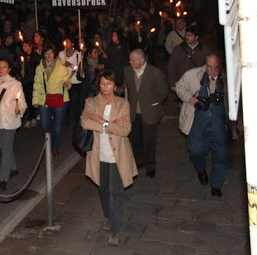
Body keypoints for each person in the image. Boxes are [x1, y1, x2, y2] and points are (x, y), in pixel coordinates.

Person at [80, 69, 137, 247]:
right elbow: (84, 122)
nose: (105, 87)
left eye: (109, 84)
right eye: (103, 83)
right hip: (99, 154)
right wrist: (111, 125)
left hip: (117, 155)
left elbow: (125, 129)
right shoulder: (91, 102)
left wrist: (103, 122)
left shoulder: (123, 104)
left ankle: (114, 229)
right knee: (103, 189)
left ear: (115, 85)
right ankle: (108, 216)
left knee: (116, 193)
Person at [175, 53, 228, 197]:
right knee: (195, 150)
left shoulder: (229, 79)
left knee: (220, 155)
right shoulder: (194, 75)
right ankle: (200, 169)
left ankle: (216, 185)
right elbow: (179, 86)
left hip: (219, 124)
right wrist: (190, 99)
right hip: (197, 121)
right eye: (209, 67)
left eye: (215, 67)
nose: (212, 71)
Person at [123, 49, 169, 178]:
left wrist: (153, 103)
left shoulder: (154, 73)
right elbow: (128, 90)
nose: (130, 62)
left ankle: (150, 166)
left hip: (150, 112)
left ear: (142, 60)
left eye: (133, 60)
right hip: (133, 112)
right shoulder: (127, 71)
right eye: (130, 60)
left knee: (149, 140)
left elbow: (163, 92)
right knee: (135, 139)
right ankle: (138, 161)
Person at [0, 59, 25, 191]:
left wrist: (19, 109)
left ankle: (3, 179)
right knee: (4, 147)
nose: (1, 69)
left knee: (6, 150)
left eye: (4, 67)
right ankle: (13, 168)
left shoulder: (15, 84)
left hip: (9, 120)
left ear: (9, 69)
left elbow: (23, 103)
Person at [32, 43, 72, 157]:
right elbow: (37, 84)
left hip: (60, 99)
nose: (48, 55)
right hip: (44, 100)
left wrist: (67, 84)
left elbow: (68, 83)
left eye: (50, 52)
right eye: (46, 53)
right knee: (44, 125)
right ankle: (48, 143)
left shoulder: (62, 67)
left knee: (58, 125)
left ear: (54, 53)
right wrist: (35, 100)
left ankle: (55, 147)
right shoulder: (40, 68)